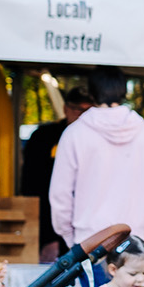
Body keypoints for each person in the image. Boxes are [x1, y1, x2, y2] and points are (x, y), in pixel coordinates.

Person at [48, 70, 144, 258]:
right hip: (135, 239)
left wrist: (70, 236)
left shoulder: (75, 133)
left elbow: (60, 194)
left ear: (92, 93)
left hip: (89, 241)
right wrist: (140, 214)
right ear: (124, 92)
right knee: (134, 286)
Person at [20, 85, 92, 260]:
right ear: (66, 108)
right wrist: (47, 238)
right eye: (77, 109)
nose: (82, 115)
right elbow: (32, 188)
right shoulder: (44, 137)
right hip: (50, 223)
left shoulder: (98, 140)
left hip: (88, 226)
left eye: (87, 110)